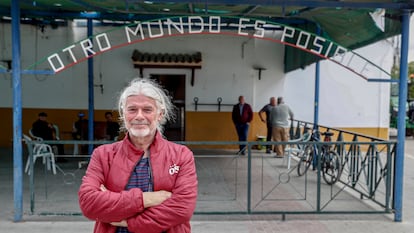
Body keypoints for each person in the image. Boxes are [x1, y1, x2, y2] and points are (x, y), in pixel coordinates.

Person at [78, 78, 198, 233]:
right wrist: (149, 199)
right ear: (123, 114)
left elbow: (182, 209)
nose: (139, 116)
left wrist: (126, 220)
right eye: (132, 109)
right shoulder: (103, 155)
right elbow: (89, 204)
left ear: (160, 115)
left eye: (147, 110)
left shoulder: (181, 155)